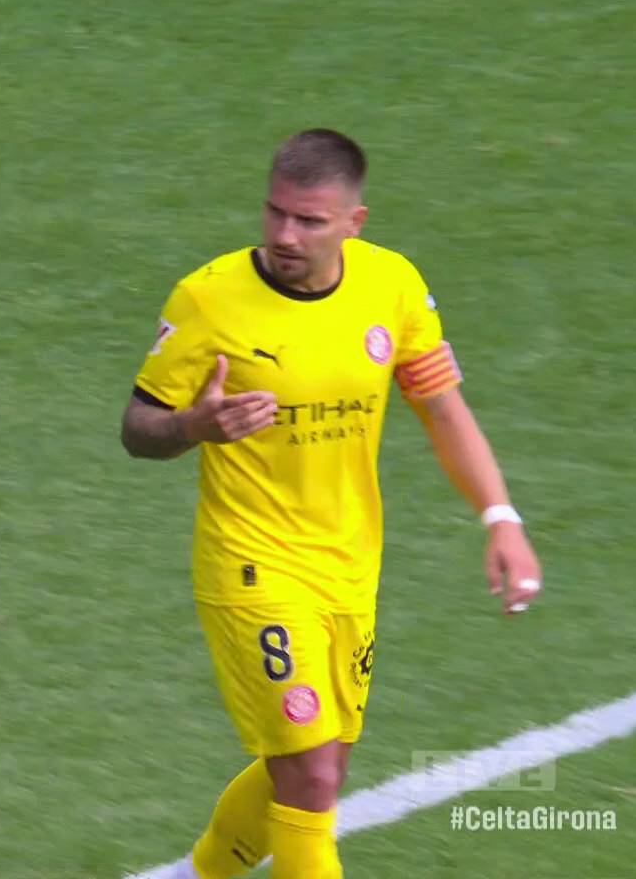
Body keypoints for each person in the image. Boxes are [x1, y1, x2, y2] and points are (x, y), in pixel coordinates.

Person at [119, 130, 544, 879]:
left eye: (309, 221)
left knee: (320, 768)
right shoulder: (208, 299)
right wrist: (194, 426)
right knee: (311, 776)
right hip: (251, 564)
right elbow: (137, 429)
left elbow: (443, 409)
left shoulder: (393, 287)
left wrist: (500, 518)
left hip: (348, 565)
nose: (286, 235)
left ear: (354, 221)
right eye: (275, 213)